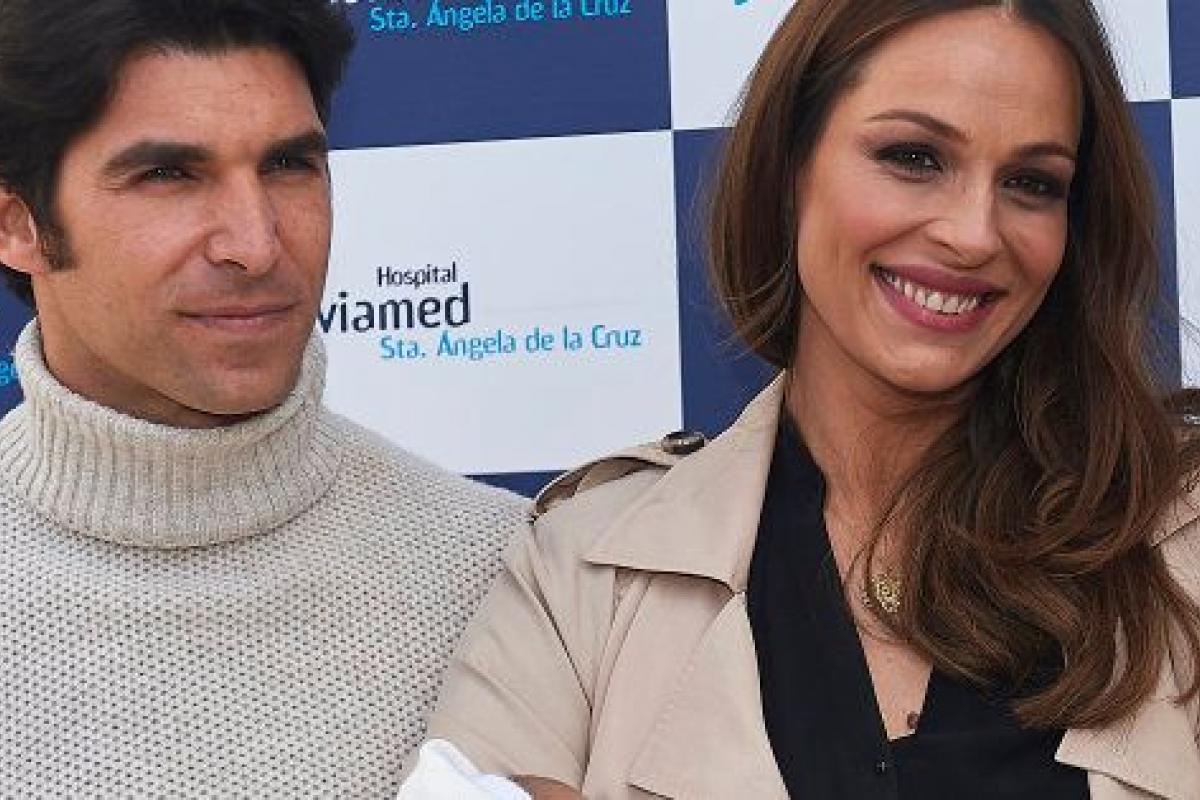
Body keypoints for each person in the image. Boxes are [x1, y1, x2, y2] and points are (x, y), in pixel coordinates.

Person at [421, 1, 1200, 798]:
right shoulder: (585, 572)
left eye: (1032, 184)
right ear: (790, 165)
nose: (974, 233)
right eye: (914, 157)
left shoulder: (1183, 537)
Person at [0, 1, 529, 795]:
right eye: (169, 175)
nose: (255, 244)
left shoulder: (513, 576)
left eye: (288, 165)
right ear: (17, 224)